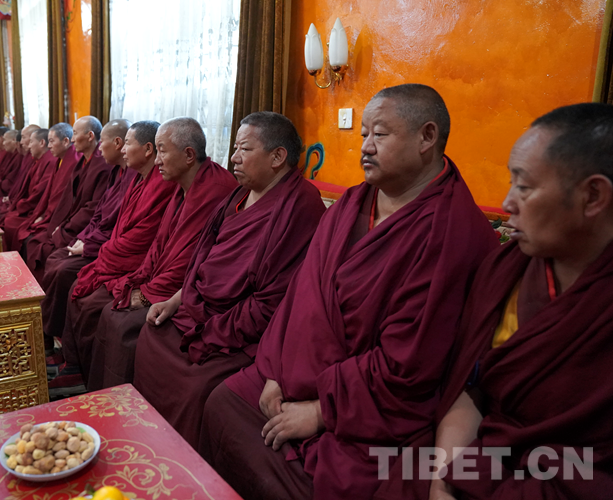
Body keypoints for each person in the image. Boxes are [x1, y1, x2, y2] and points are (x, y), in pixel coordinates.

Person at [198, 85, 499, 500]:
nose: (366, 147)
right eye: (363, 134)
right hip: (295, 370)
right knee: (223, 403)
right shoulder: (352, 203)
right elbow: (301, 294)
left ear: (427, 137)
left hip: (366, 404)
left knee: (335, 482)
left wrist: (321, 412)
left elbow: (410, 363)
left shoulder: (452, 232)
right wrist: (274, 371)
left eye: (380, 134)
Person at [373, 103, 613, 500]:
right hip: (481, 455)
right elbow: (469, 388)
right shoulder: (504, 270)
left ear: (592, 196)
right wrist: (443, 482)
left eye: (524, 187)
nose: (507, 203)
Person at [132, 111, 327, 448]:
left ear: (278, 157)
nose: (234, 157)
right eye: (235, 148)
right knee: (151, 336)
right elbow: (202, 258)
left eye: (244, 149)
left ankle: (181, 459)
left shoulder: (301, 205)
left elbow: (278, 297)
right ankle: (145, 437)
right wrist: (175, 300)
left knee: (197, 386)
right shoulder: (238, 195)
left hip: (243, 328)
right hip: (200, 310)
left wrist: (216, 328)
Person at [85, 117, 238, 391]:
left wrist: (148, 294)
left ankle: (125, 403)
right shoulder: (182, 185)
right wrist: (142, 281)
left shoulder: (216, 190)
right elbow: (159, 244)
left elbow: (193, 260)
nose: (157, 161)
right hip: (168, 285)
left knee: (122, 324)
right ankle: (101, 394)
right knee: (111, 312)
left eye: (162, 151)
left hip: (191, 295)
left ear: (188, 155)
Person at [46, 120, 177, 397]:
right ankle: (71, 362)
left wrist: (100, 251)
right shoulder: (134, 178)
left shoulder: (162, 184)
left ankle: (87, 377)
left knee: (88, 298)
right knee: (69, 276)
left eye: (128, 143)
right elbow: (108, 219)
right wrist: (92, 242)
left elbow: (144, 237)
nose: (160, 160)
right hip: (111, 250)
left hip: (134, 264)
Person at [40, 118, 135, 368]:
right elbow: (99, 213)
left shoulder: (133, 176)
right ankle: (51, 336)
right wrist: (84, 237)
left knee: (65, 272)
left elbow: (124, 227)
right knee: (54, 258)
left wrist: (90, 244)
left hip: (110, 251)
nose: (102, 148)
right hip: (95, 239)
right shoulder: (116, 171)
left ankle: (70, 358)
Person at [23, 116, 119, 282]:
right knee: (37, 244)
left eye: (75, 133)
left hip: (82, 227)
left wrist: (65, 226)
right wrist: (60, 224)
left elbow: (93, 207)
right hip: (74, 224)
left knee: (46, 251)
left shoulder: (102, 165)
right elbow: (68, 199)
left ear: (90, 136)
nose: (73, 139)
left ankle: (37, 292)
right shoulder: (83, 161)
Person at [4, 123, 80, 253]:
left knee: (31, 240)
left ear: (66, 141)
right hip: (48, 214)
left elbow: (66, 199)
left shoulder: (72, 162)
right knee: (12, 222)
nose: (49, 146)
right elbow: (48, 193)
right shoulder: (59, 160)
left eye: (52, 141)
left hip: (61, 219)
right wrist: (42, 214)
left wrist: (44, 216)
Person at [0, 124, 41, 221]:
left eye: (24, 138)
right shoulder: (26, 157)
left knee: (5, 217)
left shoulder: (36, 159)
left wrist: (14, 199)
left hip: (30, 205)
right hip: (18, 198)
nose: (21, 142)